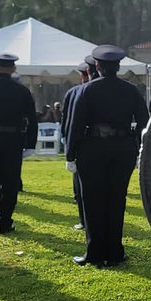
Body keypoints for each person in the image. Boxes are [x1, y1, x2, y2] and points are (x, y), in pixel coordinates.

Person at [65, 45, 148, 266]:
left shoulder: (86, 90)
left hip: (92, 148)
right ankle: (114, 252)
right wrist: (139, 147)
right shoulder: (131, 91)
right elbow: (144, 122)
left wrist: (70, 154)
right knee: (116, 200)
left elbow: (76, 124)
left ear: (97, 66)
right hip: (122, 148)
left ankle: (94, 252)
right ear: (118, 66)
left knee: (92, 201)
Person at [0, 53, 38, 234]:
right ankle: (5, 221)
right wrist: (30, 144)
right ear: (13, 69)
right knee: (10, 182)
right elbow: (32, 120)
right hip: (13, 140)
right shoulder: (22, 90)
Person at [61, 59, 92, 231]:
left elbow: (68, 121)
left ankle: (84, 220)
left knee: (81, 188)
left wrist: (68, 144)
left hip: (82, 144)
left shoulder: (75, 92)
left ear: (84, 73)